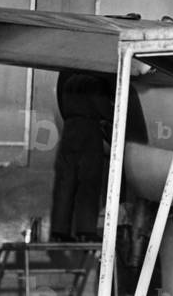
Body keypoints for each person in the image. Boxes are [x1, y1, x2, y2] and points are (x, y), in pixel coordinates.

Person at [49, 71, 114, 242]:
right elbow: (105, 110)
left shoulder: (69, 82)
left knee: (65, 183)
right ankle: (85, 231)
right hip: (88, 129)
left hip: (69, 129)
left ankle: (59, 232)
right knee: (88, 182)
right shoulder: (95, 82)